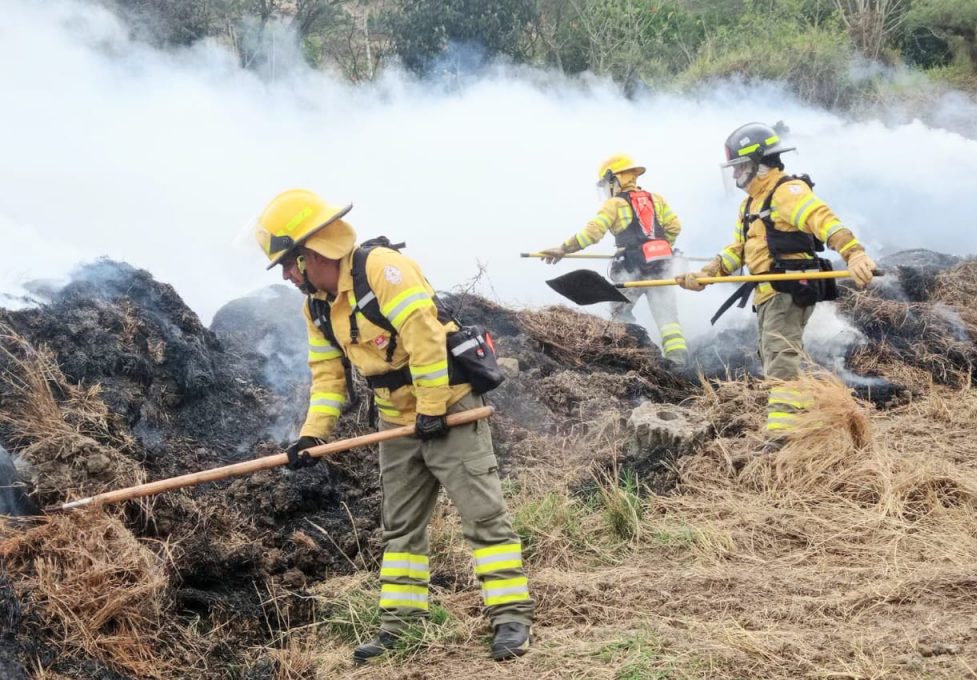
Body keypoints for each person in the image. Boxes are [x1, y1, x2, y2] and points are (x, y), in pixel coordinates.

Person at [253, 189, 534, 663]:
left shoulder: (383, 270)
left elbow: (425, 343)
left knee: (483, 517)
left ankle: (511, 619)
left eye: (287, 263)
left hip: (450, 404)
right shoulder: (317, 306)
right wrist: (312, 434)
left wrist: (431, 408)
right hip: (396, 417)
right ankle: (400, 627)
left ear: (311, 252)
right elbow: (326, 376)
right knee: (400, 528)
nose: (285, 274)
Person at [677, 123, 877, 450]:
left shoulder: (786, 191)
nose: (736, 174)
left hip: (789, 287)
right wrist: (708, 272)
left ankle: (783, 438)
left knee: (782, 360)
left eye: (740, 167)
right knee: (774, 357)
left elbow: (822, 219)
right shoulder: (750, 205)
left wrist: (854, 253)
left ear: (758, 162)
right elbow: (738, 249)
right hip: (769, 292)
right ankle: (804, 421)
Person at [539, 155, 688, 364]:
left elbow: (592, 232)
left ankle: (635, 357)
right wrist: (659, 247)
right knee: (668, 320)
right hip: (662, 266)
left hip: (631, 268)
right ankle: (679, 361)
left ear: (614, 179)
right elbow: (674, 227)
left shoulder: (615, 204)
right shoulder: (657, 200)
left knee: (619, 314)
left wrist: (564, 248)